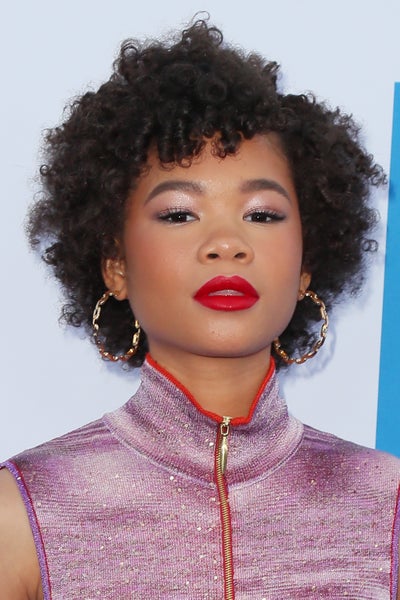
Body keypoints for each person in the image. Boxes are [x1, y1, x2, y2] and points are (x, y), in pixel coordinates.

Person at [0, 18, 399, 600]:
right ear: (115, 265)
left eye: (261, 214)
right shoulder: (23, 514)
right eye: (179, 214)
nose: (227, 244)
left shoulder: (387, 510)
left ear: (307, 264)